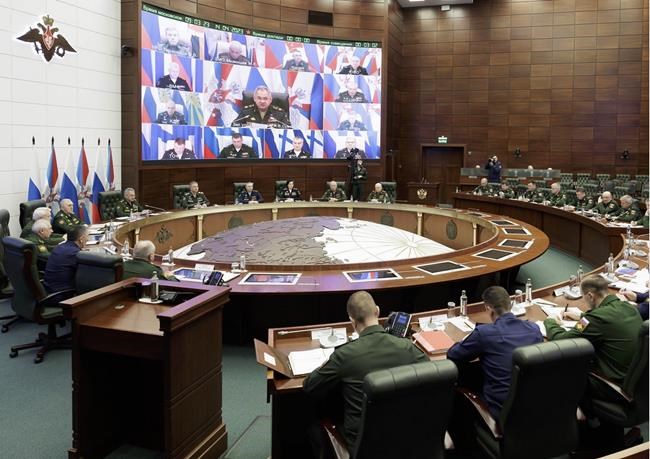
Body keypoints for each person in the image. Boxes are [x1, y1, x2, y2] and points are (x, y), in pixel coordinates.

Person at [303, 291, 427, 452]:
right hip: (405, 437)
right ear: (377, 311)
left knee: (314, 421)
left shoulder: (344, 355)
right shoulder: (406, 347)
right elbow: (432, 372)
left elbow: (309, 385)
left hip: (365, 447)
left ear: (351, 321)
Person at [447, 286, 543, 454]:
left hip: (503, 409)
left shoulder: (484, 333)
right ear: (510, 304)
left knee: (458, 388)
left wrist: (465, 340)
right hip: (534, 403)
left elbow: (453, 355)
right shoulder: (534, 329)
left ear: (488, 309)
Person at [544, 276, 642, 404]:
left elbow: (561, 340)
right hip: (638, 381)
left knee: (565, 368)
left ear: (590, 296)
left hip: (615, 386)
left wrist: (550, 322)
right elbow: (606, 319)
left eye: (583, 297)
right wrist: (582, 316)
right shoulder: (627, 306)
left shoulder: (595, 319)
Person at [43, 225, 89, 293]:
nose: (88, 239)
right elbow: (87, 271)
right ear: (81, 239)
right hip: (63, 294)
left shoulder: (59, 247)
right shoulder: (74, 253)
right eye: (87, 236)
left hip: (50, 289)